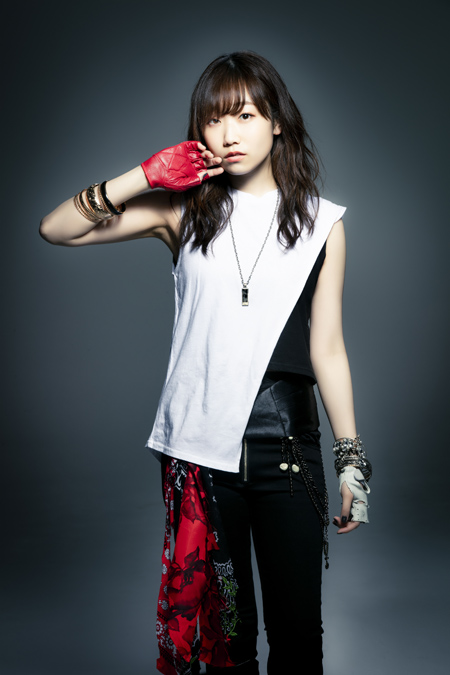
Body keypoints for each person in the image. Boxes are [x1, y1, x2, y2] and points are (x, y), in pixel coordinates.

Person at [40, 51, 372, 675]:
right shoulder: (183, 210)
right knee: (227, 640)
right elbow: (56, 229)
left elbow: (327, 346)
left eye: (245, 115)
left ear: (277, 121)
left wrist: (351, 459)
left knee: (298, 636)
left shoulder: (322, 223)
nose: (229, 133)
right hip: (199, 456)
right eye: (214, 119)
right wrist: (144, 174)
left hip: (288, 450)